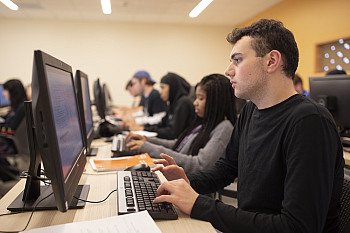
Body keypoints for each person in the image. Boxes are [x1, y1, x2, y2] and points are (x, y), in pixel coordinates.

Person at [152, 19, 345, 232]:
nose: (228, 70)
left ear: (271, 61)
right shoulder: (251, 110)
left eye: (237, 60)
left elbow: (297, 227)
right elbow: (226, 168)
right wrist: (187, 183)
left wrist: (199, 205)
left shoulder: (309, 122)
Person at [125, 74, 237, 174]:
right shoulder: (204, 124)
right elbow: (178, 144)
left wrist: (148, 147)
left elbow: (199, 165)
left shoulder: (223, 128)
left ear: (216, 101)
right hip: (177, 179)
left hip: (189, 187)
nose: (195, 103)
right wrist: (146, 140)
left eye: (200, 98)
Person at [143, 72, 195, 140]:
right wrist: (144, 128)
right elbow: (162, 123)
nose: (160, 91)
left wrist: (146, 129)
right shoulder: (173, 103)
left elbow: (171, 133)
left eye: (163, 87)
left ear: (173, 87)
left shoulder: (183, 103)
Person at [0, 79, 28, 181]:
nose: (3, 93)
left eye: (5, 90)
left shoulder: (21, 108)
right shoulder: (20, 105)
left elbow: (10, 130)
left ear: (12, 92)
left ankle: (7, 175)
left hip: (11, 142)